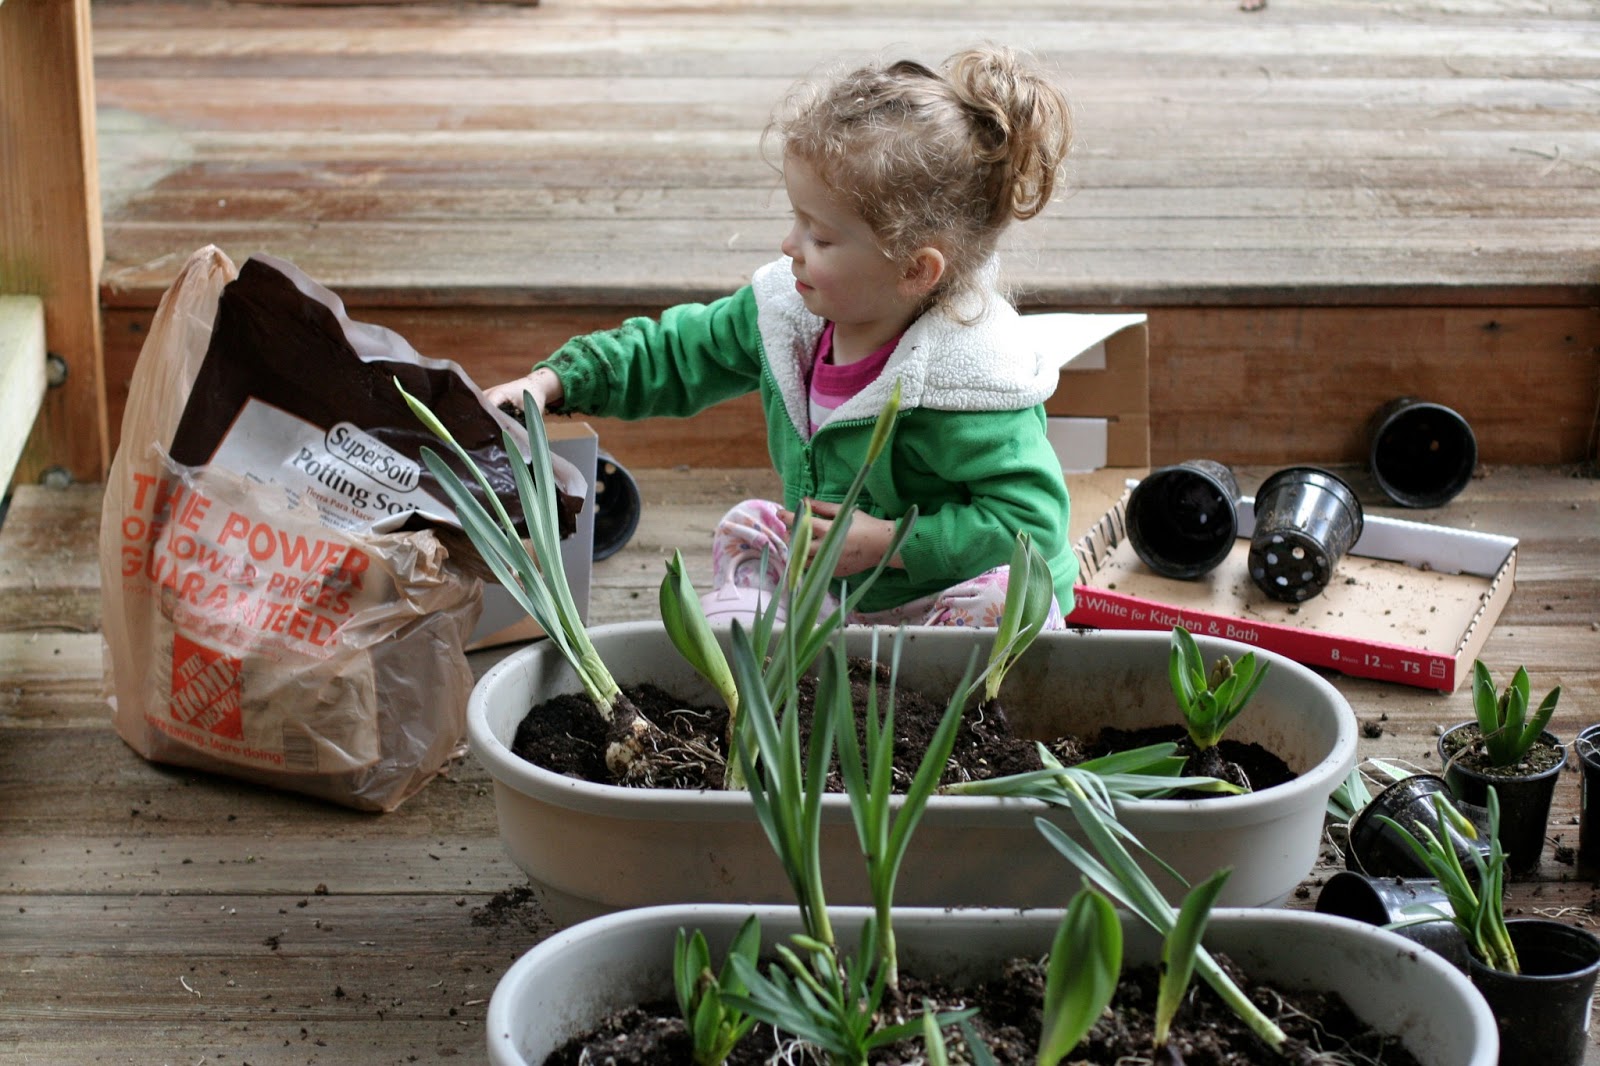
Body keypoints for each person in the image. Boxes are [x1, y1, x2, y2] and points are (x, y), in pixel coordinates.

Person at [487, 45, 1079, 629]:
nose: (790, 246)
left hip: (944, 589)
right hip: (837, 580)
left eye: (820, 237)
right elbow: (677, 352)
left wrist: (894, 542)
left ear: (914, 270)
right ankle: (774, 659)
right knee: (751, 526)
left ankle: (930, 691)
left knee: (1010, 599)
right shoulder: (789, 315)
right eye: (798, 220)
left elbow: (1030, 523)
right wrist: (557, 381)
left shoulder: (969, 381)